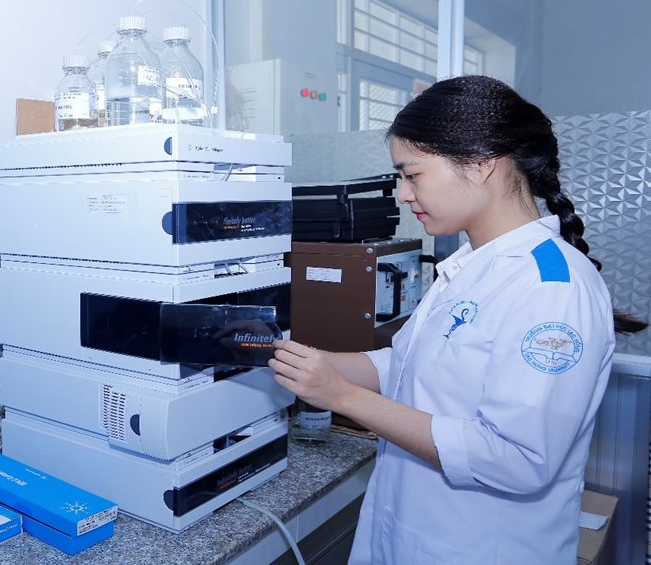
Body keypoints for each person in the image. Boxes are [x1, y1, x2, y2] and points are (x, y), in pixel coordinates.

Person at [269, 75, 647, 563]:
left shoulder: (552, 287)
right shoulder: (470, 267)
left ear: (482, 162)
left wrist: (341, 397)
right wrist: (300, 360)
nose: (403, 194)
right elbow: (406, 365)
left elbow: (517, 458)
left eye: (412, 174)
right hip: (411, 534)